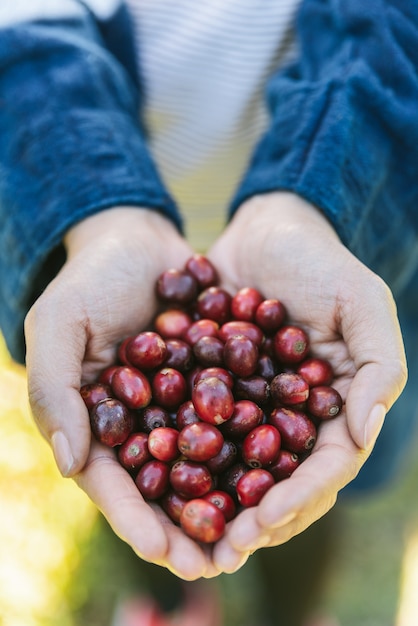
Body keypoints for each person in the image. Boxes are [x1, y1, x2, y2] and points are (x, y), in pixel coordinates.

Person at [0, 1, 417, 624]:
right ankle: (169, 599)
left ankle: (294, 611)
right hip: (118, 183)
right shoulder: (174, 383)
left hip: (338, 210)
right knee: (133, 491)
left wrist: (307, 197)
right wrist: (96, 213)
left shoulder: (227, 384)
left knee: (311, 495)